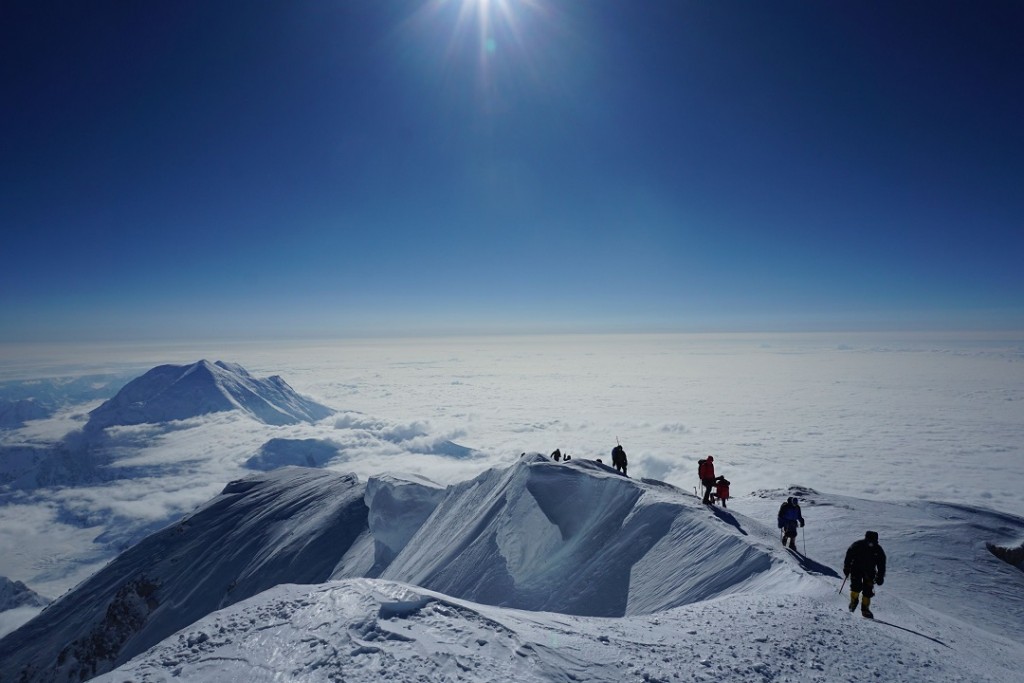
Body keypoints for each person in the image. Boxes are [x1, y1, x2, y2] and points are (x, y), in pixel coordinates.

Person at [844, 530, 887, 619]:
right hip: (856, 569)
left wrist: (880, 576)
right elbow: (849, 555)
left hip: (870, 572)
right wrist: (847, 567)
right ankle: (853, 601)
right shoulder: (858, 545)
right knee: (856, 587)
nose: (870, 543)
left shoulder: (878, 549)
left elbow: (881, 564)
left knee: (868, 591)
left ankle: (865, 609)